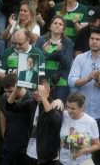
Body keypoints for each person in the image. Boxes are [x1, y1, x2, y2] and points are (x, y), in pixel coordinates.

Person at [6, 76, 63, 165]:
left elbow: (55, 120)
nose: (35, 93)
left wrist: (44, 98)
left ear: (48, 90)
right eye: (33, 90)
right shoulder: (32, 103)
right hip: (30, 153)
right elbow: (10, 106)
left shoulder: (55, 104)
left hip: (46, 156)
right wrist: (15, 91)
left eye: (38, 90)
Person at [68, 27, 100, 165]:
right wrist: (87, 78)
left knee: (98, 152)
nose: (94, 42)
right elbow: (71, 82)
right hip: (83, 114)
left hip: (99, 114)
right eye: (92, 39)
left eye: (98, 39)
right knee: (80, 153)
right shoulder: (80, 58)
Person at [35, 15, 74, 103]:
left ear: (63, 29)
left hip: (61, 83)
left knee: (57, 109)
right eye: (55, 23)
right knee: (42, 108)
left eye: (60, 24)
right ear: (50, 26)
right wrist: (43, 52)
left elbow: (67, 64)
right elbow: (34, 62)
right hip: (43, 81)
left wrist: (59, 53)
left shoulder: (68, 42)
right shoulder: (41, 40)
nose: (57, 25)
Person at [0, 74, 32, 165]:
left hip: (24, 149)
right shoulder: (4, 97)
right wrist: (3, 133)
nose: (8, 94)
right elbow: (2, 113)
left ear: (18, 86)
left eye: (10, 91)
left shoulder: (31, 99)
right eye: (6, 91)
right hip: (8, 145)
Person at [60, 92, 100, 165]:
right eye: (67, 107)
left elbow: (97, 145)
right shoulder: (64, 115)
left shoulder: (90, 122)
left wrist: (84, 150)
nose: (69, 111)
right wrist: (58, 101)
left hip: (82, 162)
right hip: (63, 161)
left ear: (82, 108)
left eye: (73, 108)